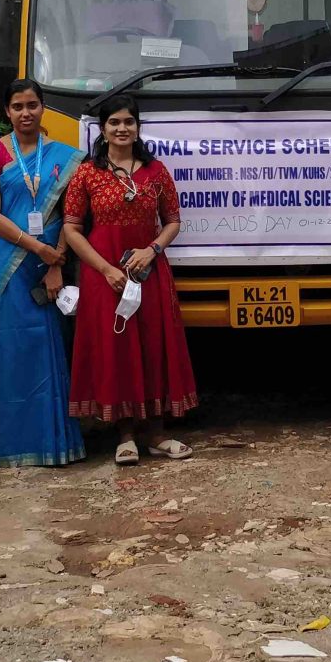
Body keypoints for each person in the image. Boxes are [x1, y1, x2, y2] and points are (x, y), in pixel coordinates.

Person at [61, 93, 197, 465]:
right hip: (103, 274)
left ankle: (156, 434)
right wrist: (105, 269)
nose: (122, 129)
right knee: (115, 348)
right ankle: (124, 435)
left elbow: (173, 221)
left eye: (129, 122)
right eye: (114, 123)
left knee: (153, 345)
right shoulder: (88, 173)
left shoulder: (156, 172)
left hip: (149, 271)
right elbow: (72, 229)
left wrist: (151, 250)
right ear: (102, 130)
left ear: (138, 128)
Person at [0, 80, 85, 468]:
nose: (26, 113)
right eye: (18, 106)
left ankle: (54, 443)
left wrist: (54, 262)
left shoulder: (64, 156)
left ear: (43, 108)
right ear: (6, 111)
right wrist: (36, 247)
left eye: (33, 105)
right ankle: (15, 443)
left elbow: (70, 215)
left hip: (49, 265)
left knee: (48, 346)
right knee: (11, 348)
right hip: (7, 262)